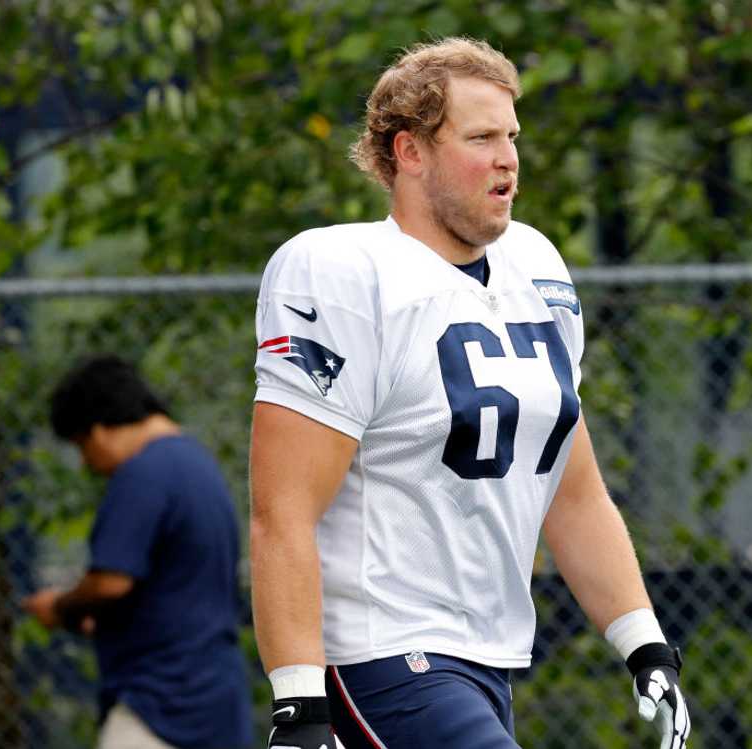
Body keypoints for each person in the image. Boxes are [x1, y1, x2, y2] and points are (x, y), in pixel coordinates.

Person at [249, 37, 691, 749]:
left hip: (488, 652)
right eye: (481, 136)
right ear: (410, 152)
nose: (508, 157)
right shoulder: (342, 273)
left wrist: (644, 643)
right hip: (380, 651)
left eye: (512, 137)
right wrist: (298, 701)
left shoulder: (535, 266)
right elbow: (283, 508)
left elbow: (571, 488)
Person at [23, 354, 253, 749]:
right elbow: (180, 587)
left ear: (96, 431)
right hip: (216, 696)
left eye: (82, 448)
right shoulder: (197, 464)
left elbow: (111, 582)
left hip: (161, 702)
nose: (87, 463)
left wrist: (60, 607)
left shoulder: (142, 474)